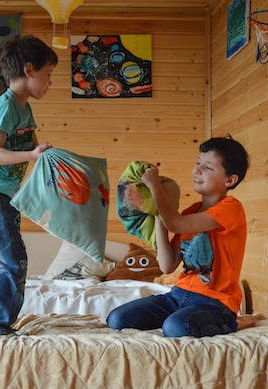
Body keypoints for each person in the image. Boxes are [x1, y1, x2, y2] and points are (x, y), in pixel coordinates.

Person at [107, 136, 250, 337]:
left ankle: (226, 324)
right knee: (117, 319)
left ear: (230, 180)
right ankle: (180, 319)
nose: (198, 170)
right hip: (178, 295)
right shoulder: (191, 212)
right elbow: (167, 265)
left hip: (215, 302)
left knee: (175, 327)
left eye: (208, 168)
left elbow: (175, 223)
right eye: (198, 163)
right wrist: (158, 215)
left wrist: (156, 187)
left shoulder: (230, 208)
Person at [0, 35, 58, 337]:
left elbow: (30, 145)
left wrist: (43, 154)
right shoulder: (5, 106)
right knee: (13, 263)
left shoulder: (24, 108)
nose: (50, 83)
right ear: (29, 69)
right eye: (48, 75)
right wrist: (31, 154)